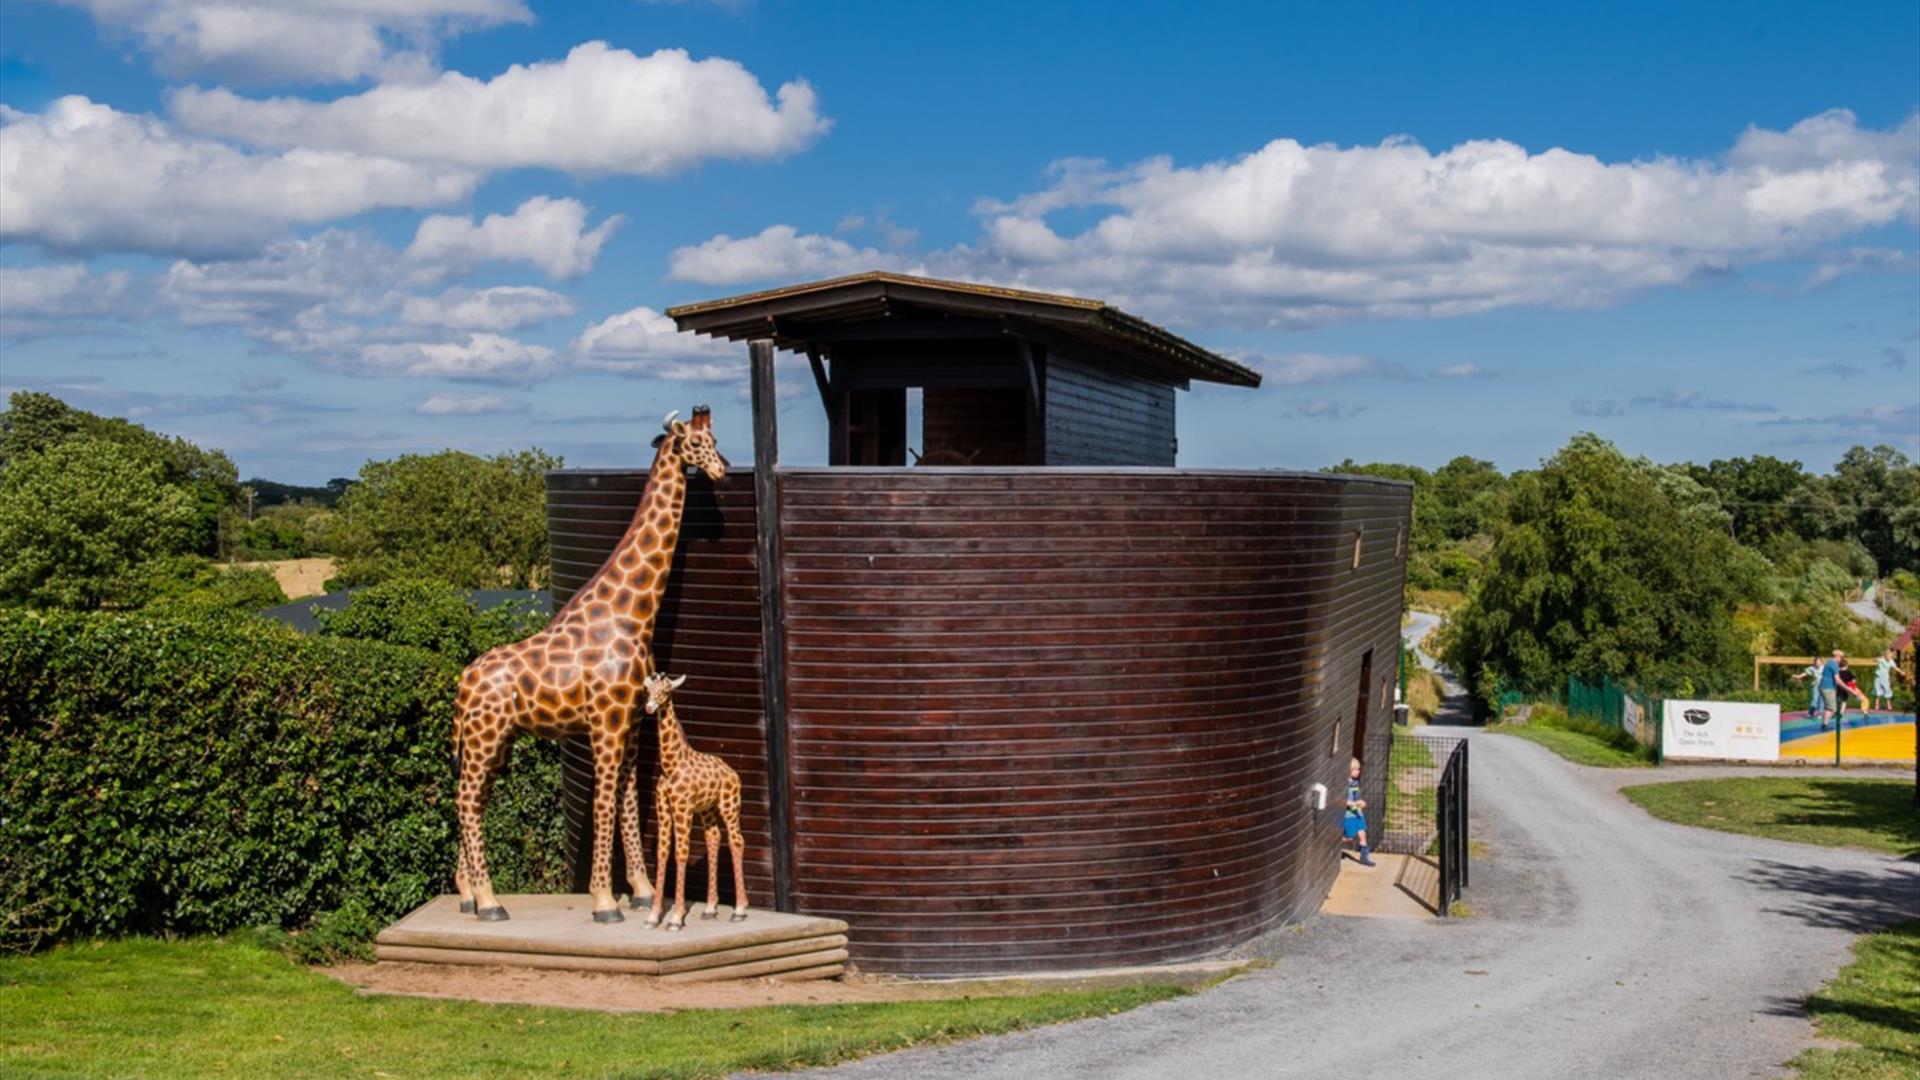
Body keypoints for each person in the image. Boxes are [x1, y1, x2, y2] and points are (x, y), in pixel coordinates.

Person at [1344, 757, 1375, 867]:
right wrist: (1355, 804)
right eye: (1356, 769)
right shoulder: (1344, 784)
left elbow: (1356, 797)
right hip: (1349, 814)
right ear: (1349, 770)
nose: (1358, 771)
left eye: (1359, 769)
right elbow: (1342, 800)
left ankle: (1364, 857)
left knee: (1362, 834)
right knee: (1349, 837)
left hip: (1357, 813)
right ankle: (1334, 843)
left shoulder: (1355, 782)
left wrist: (1360, 803)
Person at [1817, 650, 1843, 731]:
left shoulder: (1829, 662)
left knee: (1828, 707)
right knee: (1831, 708)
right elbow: (1837, 680)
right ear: (1837, 656)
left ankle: (1825, 725)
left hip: (1825, 687)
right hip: (1828, 688)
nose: (1841, 659)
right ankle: (1825, 725)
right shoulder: (1833, 664)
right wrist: (1847, 688)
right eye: (1841, 657)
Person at [1872, 647, 1896, 713]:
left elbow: (1895, 667)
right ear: (1886, 656)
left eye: (1890, 656)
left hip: (1885, 678)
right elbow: (1874, 660)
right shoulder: (1881, 659)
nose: (1889, 658)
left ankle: (1889, 706)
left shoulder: (1891, 661)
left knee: (1887, 691)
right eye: (1888, 656)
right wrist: (1879, 658)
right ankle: (1877, 705)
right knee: (1878, 692)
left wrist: (1901, 672)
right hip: (1878, 677)